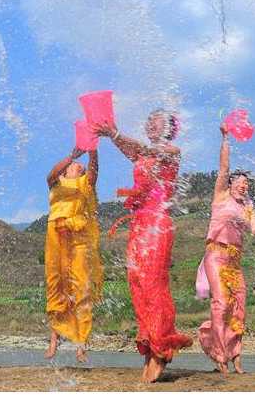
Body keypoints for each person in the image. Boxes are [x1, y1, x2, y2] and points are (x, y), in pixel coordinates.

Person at [99, 110, 193, 383]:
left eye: (157, 121)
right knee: (137, 285)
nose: (150, 124)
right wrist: (112, 136)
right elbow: (134, 151)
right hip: (139, 224)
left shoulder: (172, 150)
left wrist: (115, 133)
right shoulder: (144, 154)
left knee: (154, 286)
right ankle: (150, 348)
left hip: (157, 224)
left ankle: (160, 350)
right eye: (148, 120)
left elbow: (140, 148)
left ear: (169, 129)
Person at [196, 124, 255, 373]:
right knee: (220, 304)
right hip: (215, 256)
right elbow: (224, 168)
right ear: (230, 184)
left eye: (247, 183)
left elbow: (254, 230)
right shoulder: (221, 196)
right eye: (240, 182)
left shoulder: (248, 206)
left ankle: (236, 355)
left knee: (239, 307)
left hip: (234, 260)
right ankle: (220, 356)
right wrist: (225, 137)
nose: (244, 185)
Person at [44, 146, 103, 364]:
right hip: (56, 235)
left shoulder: (85, 184)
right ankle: (54, 339)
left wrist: (93, 150)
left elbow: (94, 170)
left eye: (79, 165)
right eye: (71, 165)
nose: (77, 166)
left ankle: (81, 345)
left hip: (79, 239)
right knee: (56, 285)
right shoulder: (56, 182)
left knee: (81, 288)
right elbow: (50, 174)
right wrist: (72, 155)